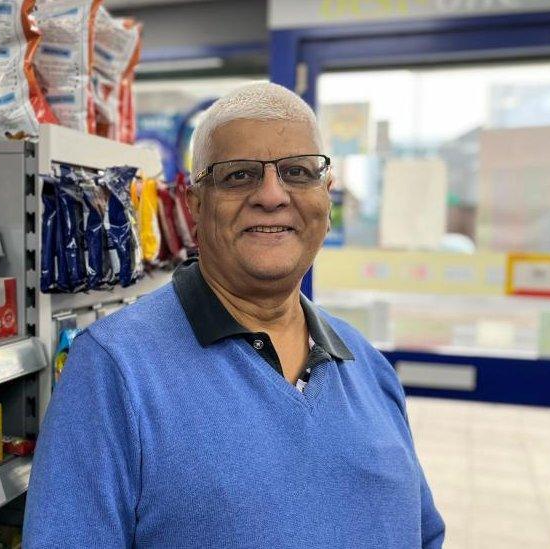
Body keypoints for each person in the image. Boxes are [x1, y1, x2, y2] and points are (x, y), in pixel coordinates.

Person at [23, 82, 445, 548]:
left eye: (297, 172)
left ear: (326, 200)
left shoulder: (367, 366)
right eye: (238, 175)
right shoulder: (113, 370)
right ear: (196, 206)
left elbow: (423, 533)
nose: (271, 195)